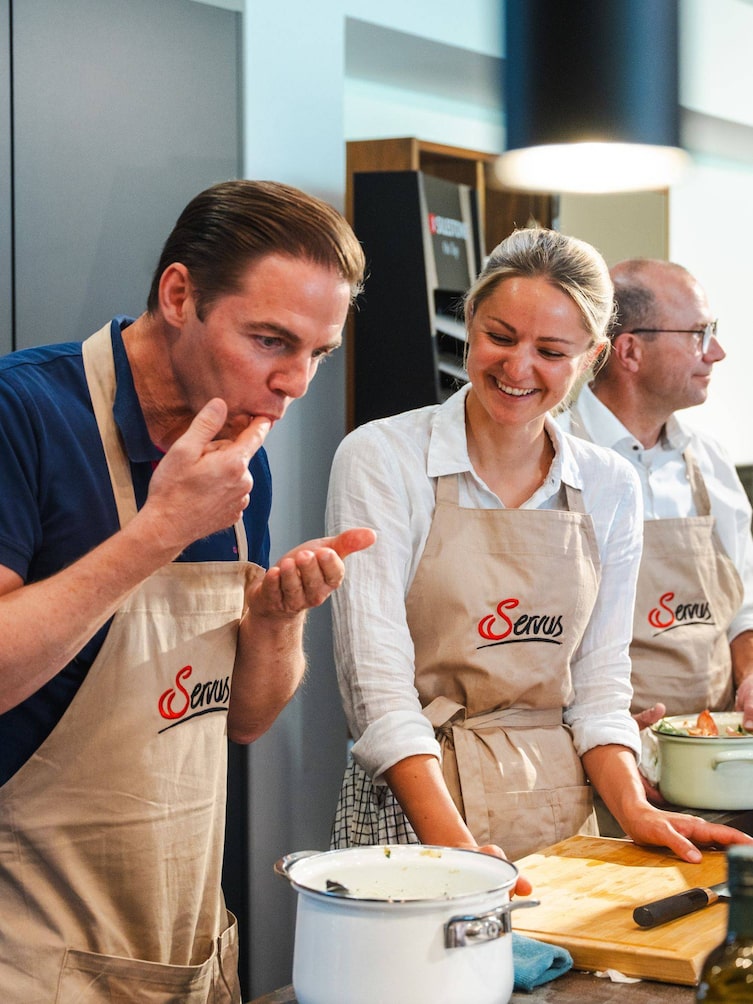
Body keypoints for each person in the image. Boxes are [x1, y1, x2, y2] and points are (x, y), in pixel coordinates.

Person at [0, 179, 375, 1004]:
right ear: (179, 295)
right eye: (271, 340)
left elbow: (238, 721)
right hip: (28, 954)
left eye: (319, 353)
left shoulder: (243, 454)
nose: (296, 383)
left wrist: (277, 625)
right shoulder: (21, 411)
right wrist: (158, 531)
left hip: (183, 950)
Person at [325, 228, 752, 880]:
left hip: (559, 808)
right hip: (416, 814)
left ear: (594, 356)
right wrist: (459, 854)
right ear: (469, 321)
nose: (517, 369)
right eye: (499, 337)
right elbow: (377, 694)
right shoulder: (382, 458)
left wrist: (635, 811)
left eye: (551, 351)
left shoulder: (606, 485)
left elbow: (598, 693)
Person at [560, 259, 753, 740]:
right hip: (595, 754)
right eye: (699, 334)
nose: (718, 352)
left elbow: (743, 610)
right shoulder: (555, 456)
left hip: (716, 745)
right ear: (629, 351)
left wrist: (750, 673)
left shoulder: (708, 460)